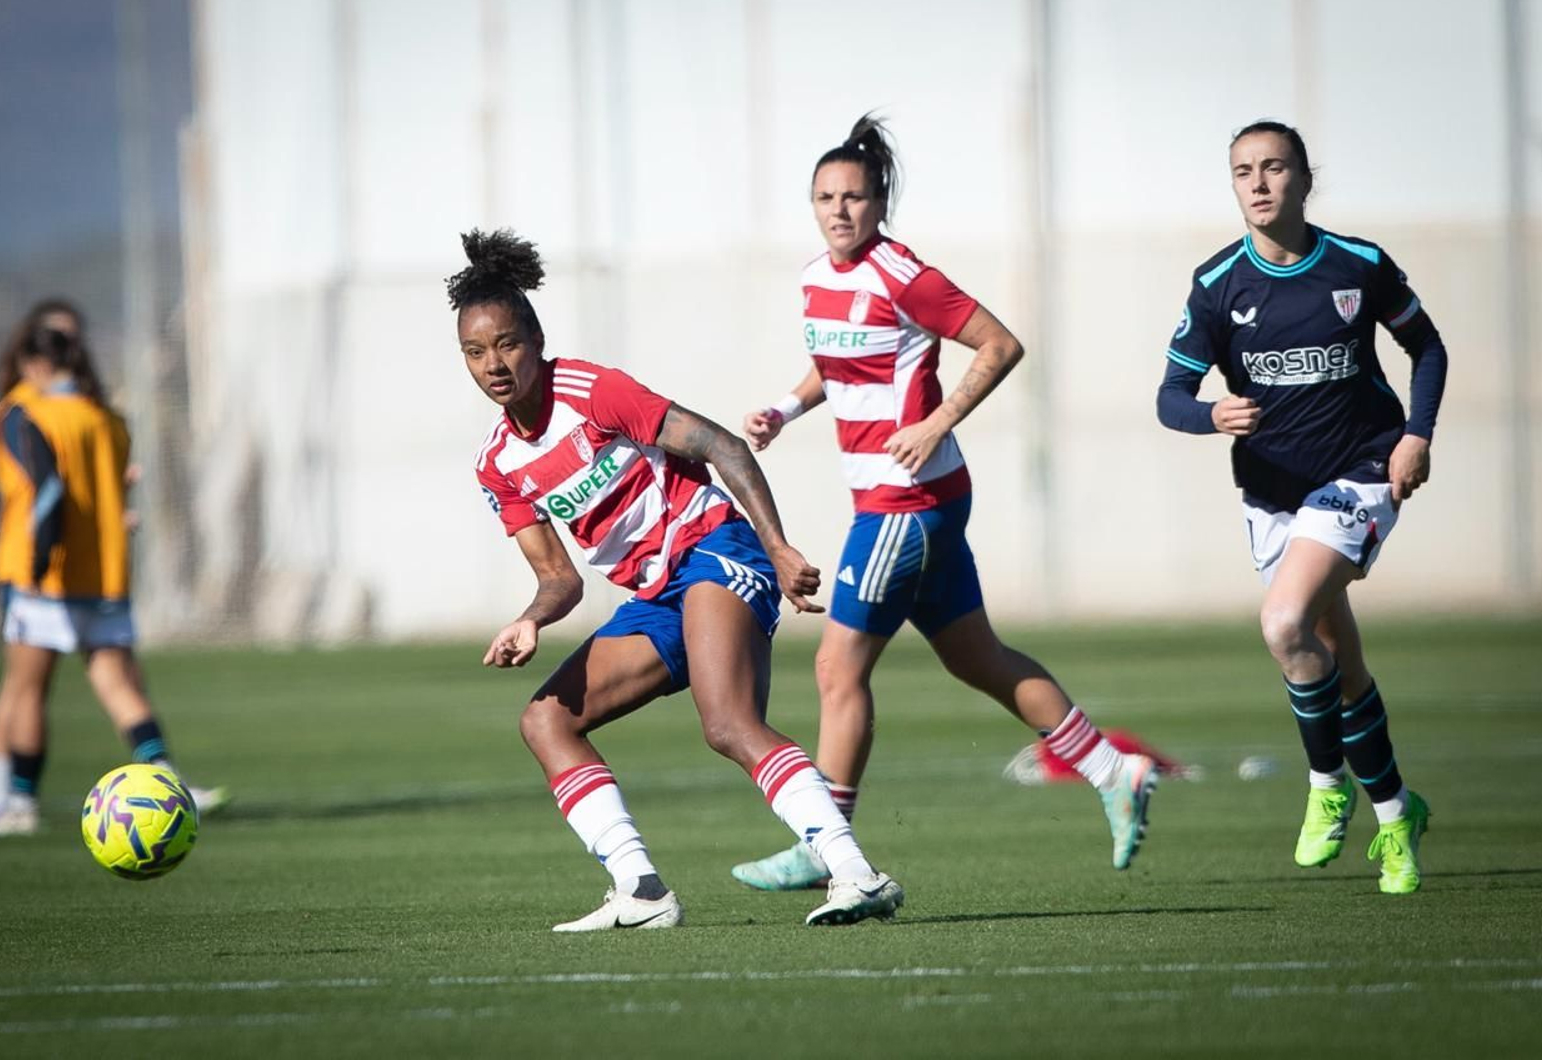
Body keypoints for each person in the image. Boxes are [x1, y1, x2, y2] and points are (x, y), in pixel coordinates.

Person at [730, 115, 1159, 892]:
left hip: (906, 502)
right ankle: (1110, 770)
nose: (838, 210)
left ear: (879, 201)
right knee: (976, 657)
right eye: (825, 197)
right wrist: (784, 411)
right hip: (911, 499)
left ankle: (825, 846)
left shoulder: (903, 274)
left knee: (836, 666)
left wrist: (936, 420)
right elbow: (840, 362)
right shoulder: (816, 276)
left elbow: (1000, 343)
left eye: (853, 197)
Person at [455, 228, 904, 930]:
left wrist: (778, 547)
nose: (495, 364)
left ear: (536, 339)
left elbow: (722, 444)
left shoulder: (593, 391)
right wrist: (531, 619)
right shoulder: (497, 463)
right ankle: (640, 890)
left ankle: (856, 872)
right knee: (546, 720)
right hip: (658, 594)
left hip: (717, 548)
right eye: (475, 352)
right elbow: (559, 580)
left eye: (508, 343)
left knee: (727, 723)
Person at [1156, 121, 1448, 894]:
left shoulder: (1357, 265)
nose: (1258, 183)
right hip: (1272, 493)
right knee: (1334, 660)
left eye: (1274, 167)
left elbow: (1429, 348)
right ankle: (1395, 815)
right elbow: (1170, 398)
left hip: (1357, 474)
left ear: (1304, 179)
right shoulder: (1219, 284)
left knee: (1284, 624)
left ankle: (1326, 785)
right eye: (1243, 171)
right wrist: (1210, 414)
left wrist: (1416, 435)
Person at [0, 300, 226, 836]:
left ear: (34, 364)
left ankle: (14, 802)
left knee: (24, 689)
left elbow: (48, 493)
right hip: (106, 573)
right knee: (118, 683)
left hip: (46, 574)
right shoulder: (107, 417)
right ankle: (168, 781)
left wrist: (42, 561)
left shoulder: (24, 412)